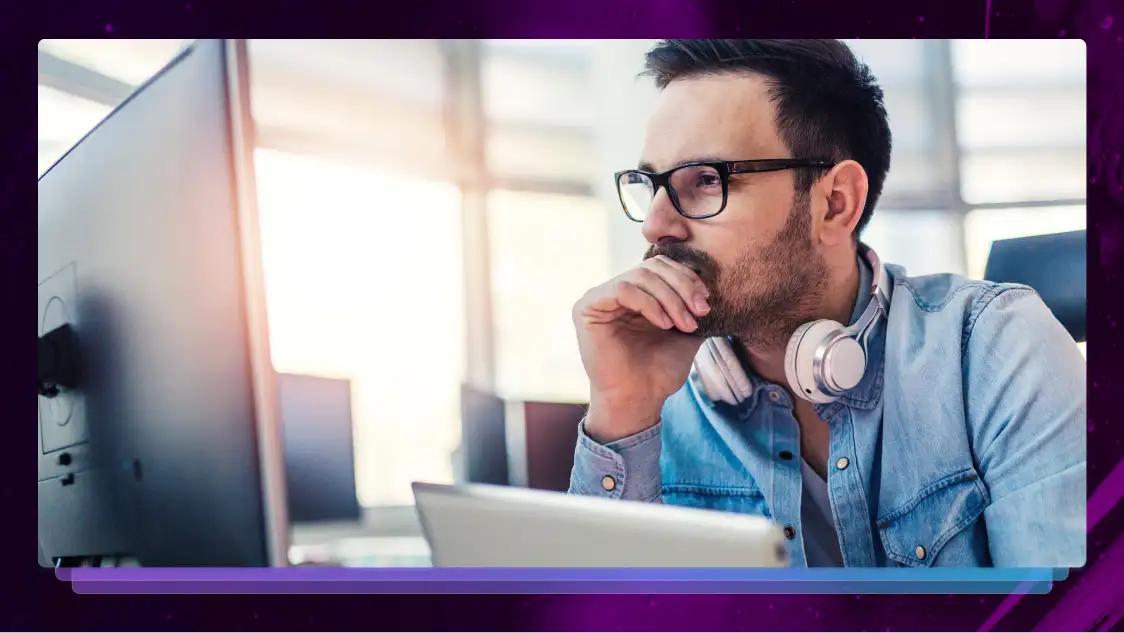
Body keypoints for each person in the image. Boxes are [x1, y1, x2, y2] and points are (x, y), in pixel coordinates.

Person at [568, 39, 1086, 568]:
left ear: (835, 204)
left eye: (705, 180)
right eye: (650, 185)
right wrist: (624, 413)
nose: (656, 225)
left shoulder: (992, 349)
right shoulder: (653, 401)